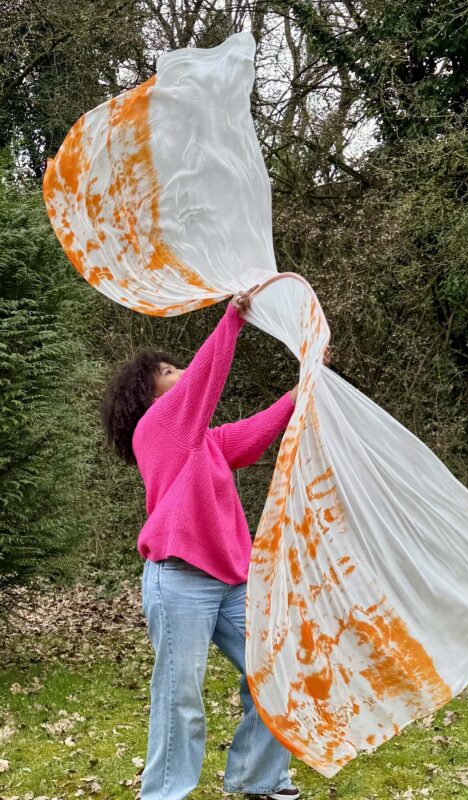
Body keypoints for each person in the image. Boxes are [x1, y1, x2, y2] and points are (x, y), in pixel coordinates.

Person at [100, 285, 331, 800]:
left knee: (277, 671)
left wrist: (303, 384)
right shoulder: (156, 429)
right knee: (179, 696)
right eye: (167, 371)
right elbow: (205, 379)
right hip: (178, 578)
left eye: (177, 367)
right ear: (147, 393)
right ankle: (163, 794)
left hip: (230, 581)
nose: (179, 373)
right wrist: (234, 317)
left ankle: (259, 780)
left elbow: (254, 433)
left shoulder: (203, 441)